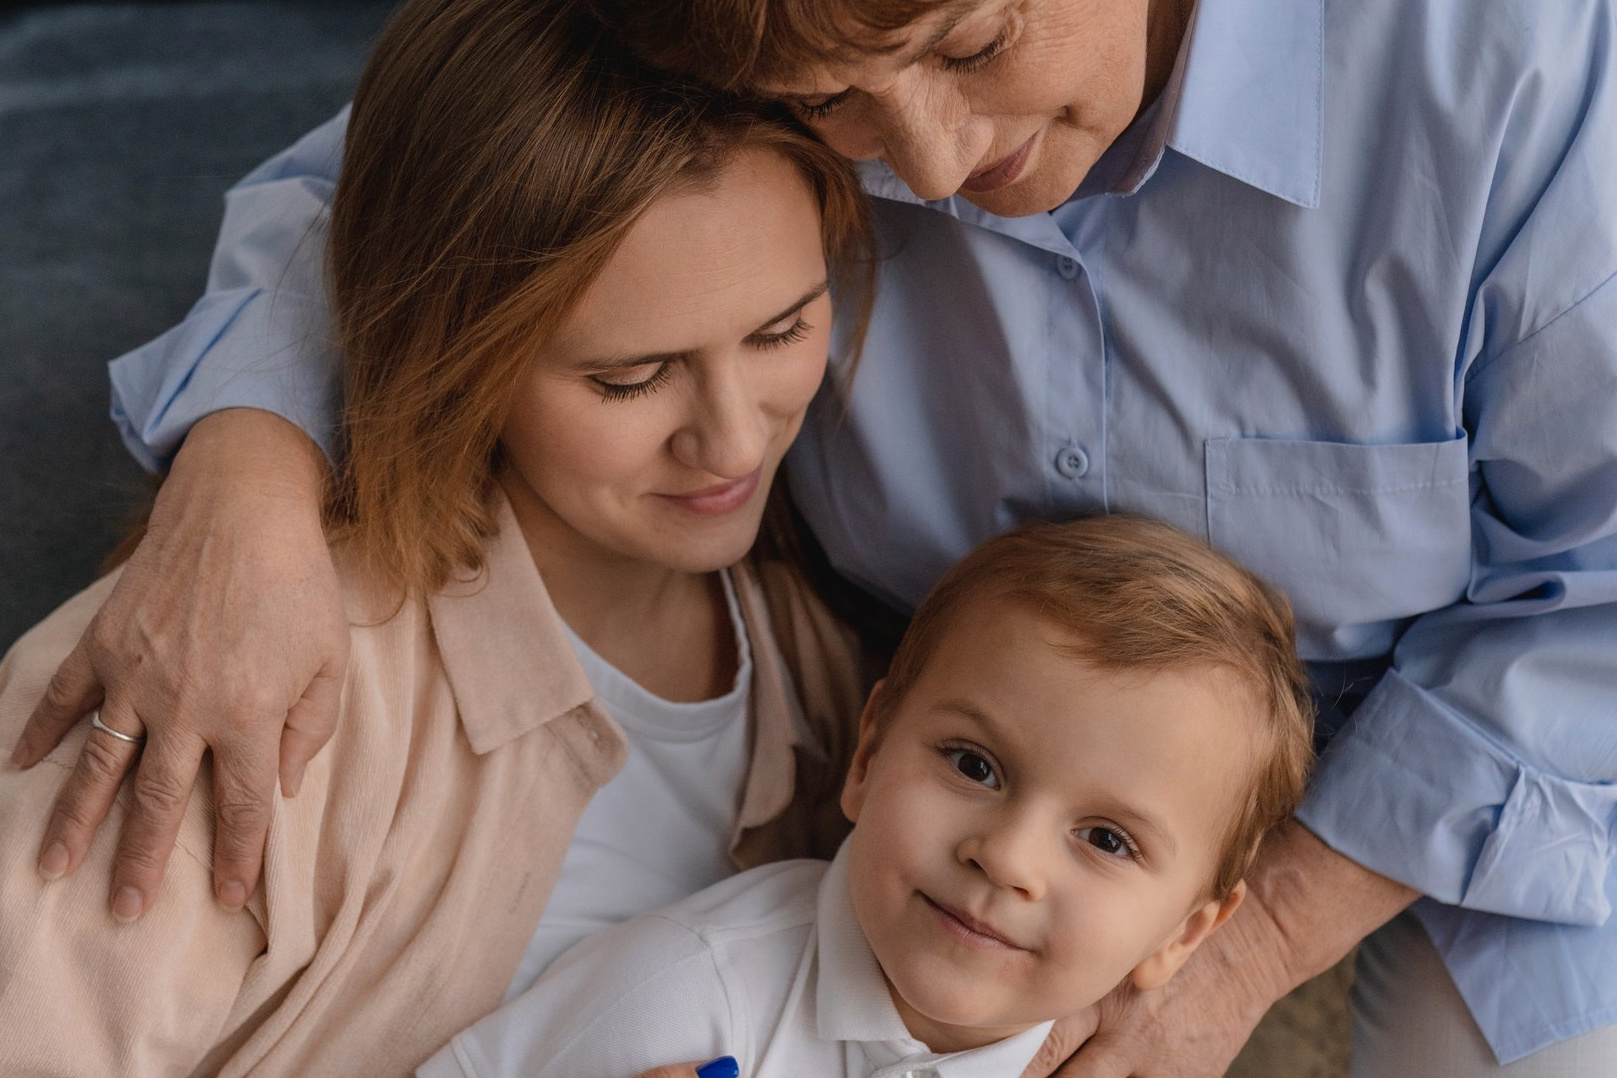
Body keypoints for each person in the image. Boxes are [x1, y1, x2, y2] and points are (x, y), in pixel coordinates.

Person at [12, 0, 1617, 1074]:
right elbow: (423, 173)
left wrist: (1247, 938)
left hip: (1475, 767)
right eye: (837, 100)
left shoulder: (1525, 81)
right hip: (944, 716)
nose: (933, 165)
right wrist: (243, 468)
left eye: (974, 38)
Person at [0, 0, 876, 1072]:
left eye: (783, 328)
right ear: (459, 358)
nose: (734, 440)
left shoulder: (836, 675)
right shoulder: (215, 678)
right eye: (629, 378)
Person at [415, 516, 1315, 1078]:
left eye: (1107, 840)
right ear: (870, 749)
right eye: (973, 765)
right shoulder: (688, 996)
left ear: (1184, 934)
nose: (1004, 857)